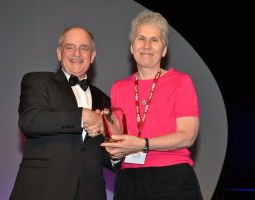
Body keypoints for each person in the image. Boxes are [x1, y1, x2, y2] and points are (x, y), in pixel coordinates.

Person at [101, 10, 203, 200]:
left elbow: (187, 136)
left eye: (154, 40)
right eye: (141, 38)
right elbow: (120, 142)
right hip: (129, 180)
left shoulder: (181, 82)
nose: (147, 46)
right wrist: (112, 142)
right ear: (132, 47)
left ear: (164, 50)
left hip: (172, 178)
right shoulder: (118, 88)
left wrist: (143, 144)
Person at [10, 26, 113, 200]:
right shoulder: (38, 81)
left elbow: (102, 154)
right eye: (70, 47)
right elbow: (30, 121)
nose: (77, 53)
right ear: (59, 53)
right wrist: (81, 117)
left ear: (93, 56)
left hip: (90, 193)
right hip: (42, 190)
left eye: (84, 48)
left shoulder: (104, 99)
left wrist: (114, 146)